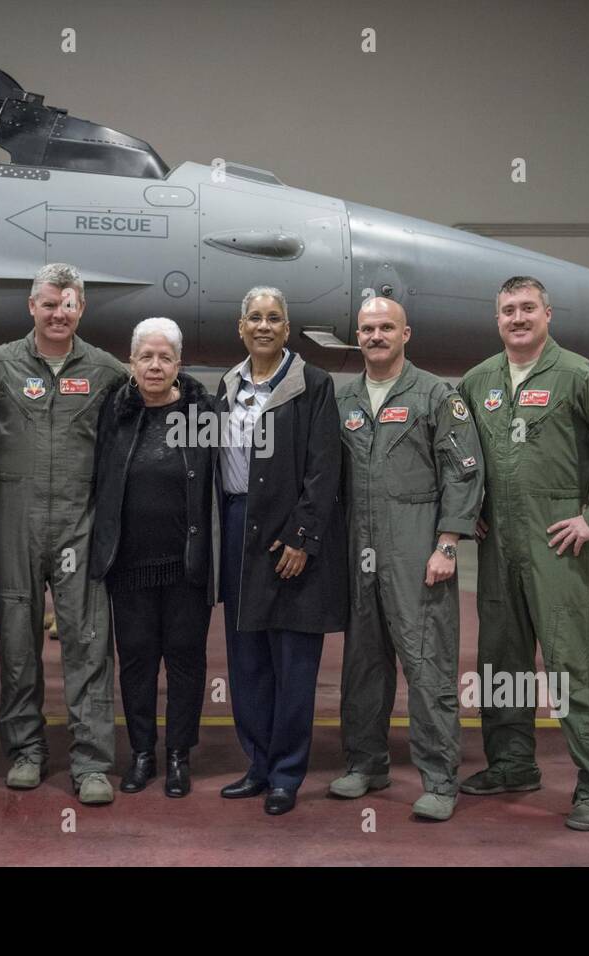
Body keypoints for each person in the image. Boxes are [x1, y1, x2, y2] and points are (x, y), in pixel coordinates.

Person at [457, 275, 589, 831]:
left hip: (557, 546)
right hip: (497, 547)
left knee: (572, 667)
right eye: (507, 311)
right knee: (501, 661)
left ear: (548, 314)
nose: (517, 318)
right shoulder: (478, 382)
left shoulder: (580, 377)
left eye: (527, 309)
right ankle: (512, 764)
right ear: (496, 319)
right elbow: (461, 457)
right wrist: (466, 507)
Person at [329, 297, 484, 821]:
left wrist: (447, 544)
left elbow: (464, 471)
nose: (376, 336)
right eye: (367, 329)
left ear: (406, 333)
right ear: (358, 336)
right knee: (362, 665)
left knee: (428, 667)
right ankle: (366, 764)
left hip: (417, 550)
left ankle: (440, 780)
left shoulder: (436, 394)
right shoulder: (344, 398)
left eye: (386, 328)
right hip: (360, 550)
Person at [0, 263, 128, 805]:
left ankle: (90, 762)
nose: (58, 313)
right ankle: (26, 752)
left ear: (81, 309)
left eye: (68, 305)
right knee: (17, 646)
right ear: (31, 308)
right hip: (13, 522)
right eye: (49, 304)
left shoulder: (109, 372)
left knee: (88, 645)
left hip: (78, 524)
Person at [216, 286, 347, 815]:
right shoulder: (226, 385)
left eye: (274, 318)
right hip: (237, 524)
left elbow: (324, 470)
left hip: (289, 533)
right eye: (255, 318)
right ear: (241, 327)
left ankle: (287, 774)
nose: (264, 326)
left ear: (287, 330)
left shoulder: (313, 385)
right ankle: (258, 764)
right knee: (247, 660)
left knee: (293, 661)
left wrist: (302, 537)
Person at [90, 317, 215, 797]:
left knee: (185, 660)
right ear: (131, 362)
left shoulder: (203, 415)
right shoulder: (114, 413)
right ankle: (142, 753)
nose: (155, 365)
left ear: (179, 364)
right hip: (129, 566)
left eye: (165, 357)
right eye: (146, 356)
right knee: (137, 661)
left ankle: (180, 755)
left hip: (186, 566)